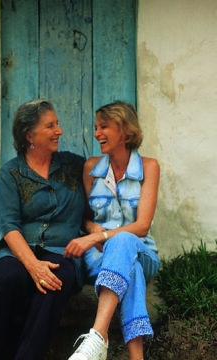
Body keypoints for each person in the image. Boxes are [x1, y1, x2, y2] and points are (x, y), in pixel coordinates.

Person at [0, 99, 86, 360]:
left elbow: (112, 162)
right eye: (50, 126)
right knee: (12, 278)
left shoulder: (75, 166)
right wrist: (32, 265)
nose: (59, 131)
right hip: (14, 251)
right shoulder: (11, 172)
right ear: (29, 135)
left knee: (55, 280)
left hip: (60, 249)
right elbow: (7, 225)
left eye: (58, 124)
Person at [64, 101, 160, 360]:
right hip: (99, 257)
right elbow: (84, 217)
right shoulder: (91, 169)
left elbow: (141, 226)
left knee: (126, 242)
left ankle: (97, 336)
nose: (97, 134)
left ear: (126, 131)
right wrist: (92, 226)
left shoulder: (149, 167)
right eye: (96, 127)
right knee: (132, 269)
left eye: (104, 127)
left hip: (144, 252)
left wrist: (99, 235)